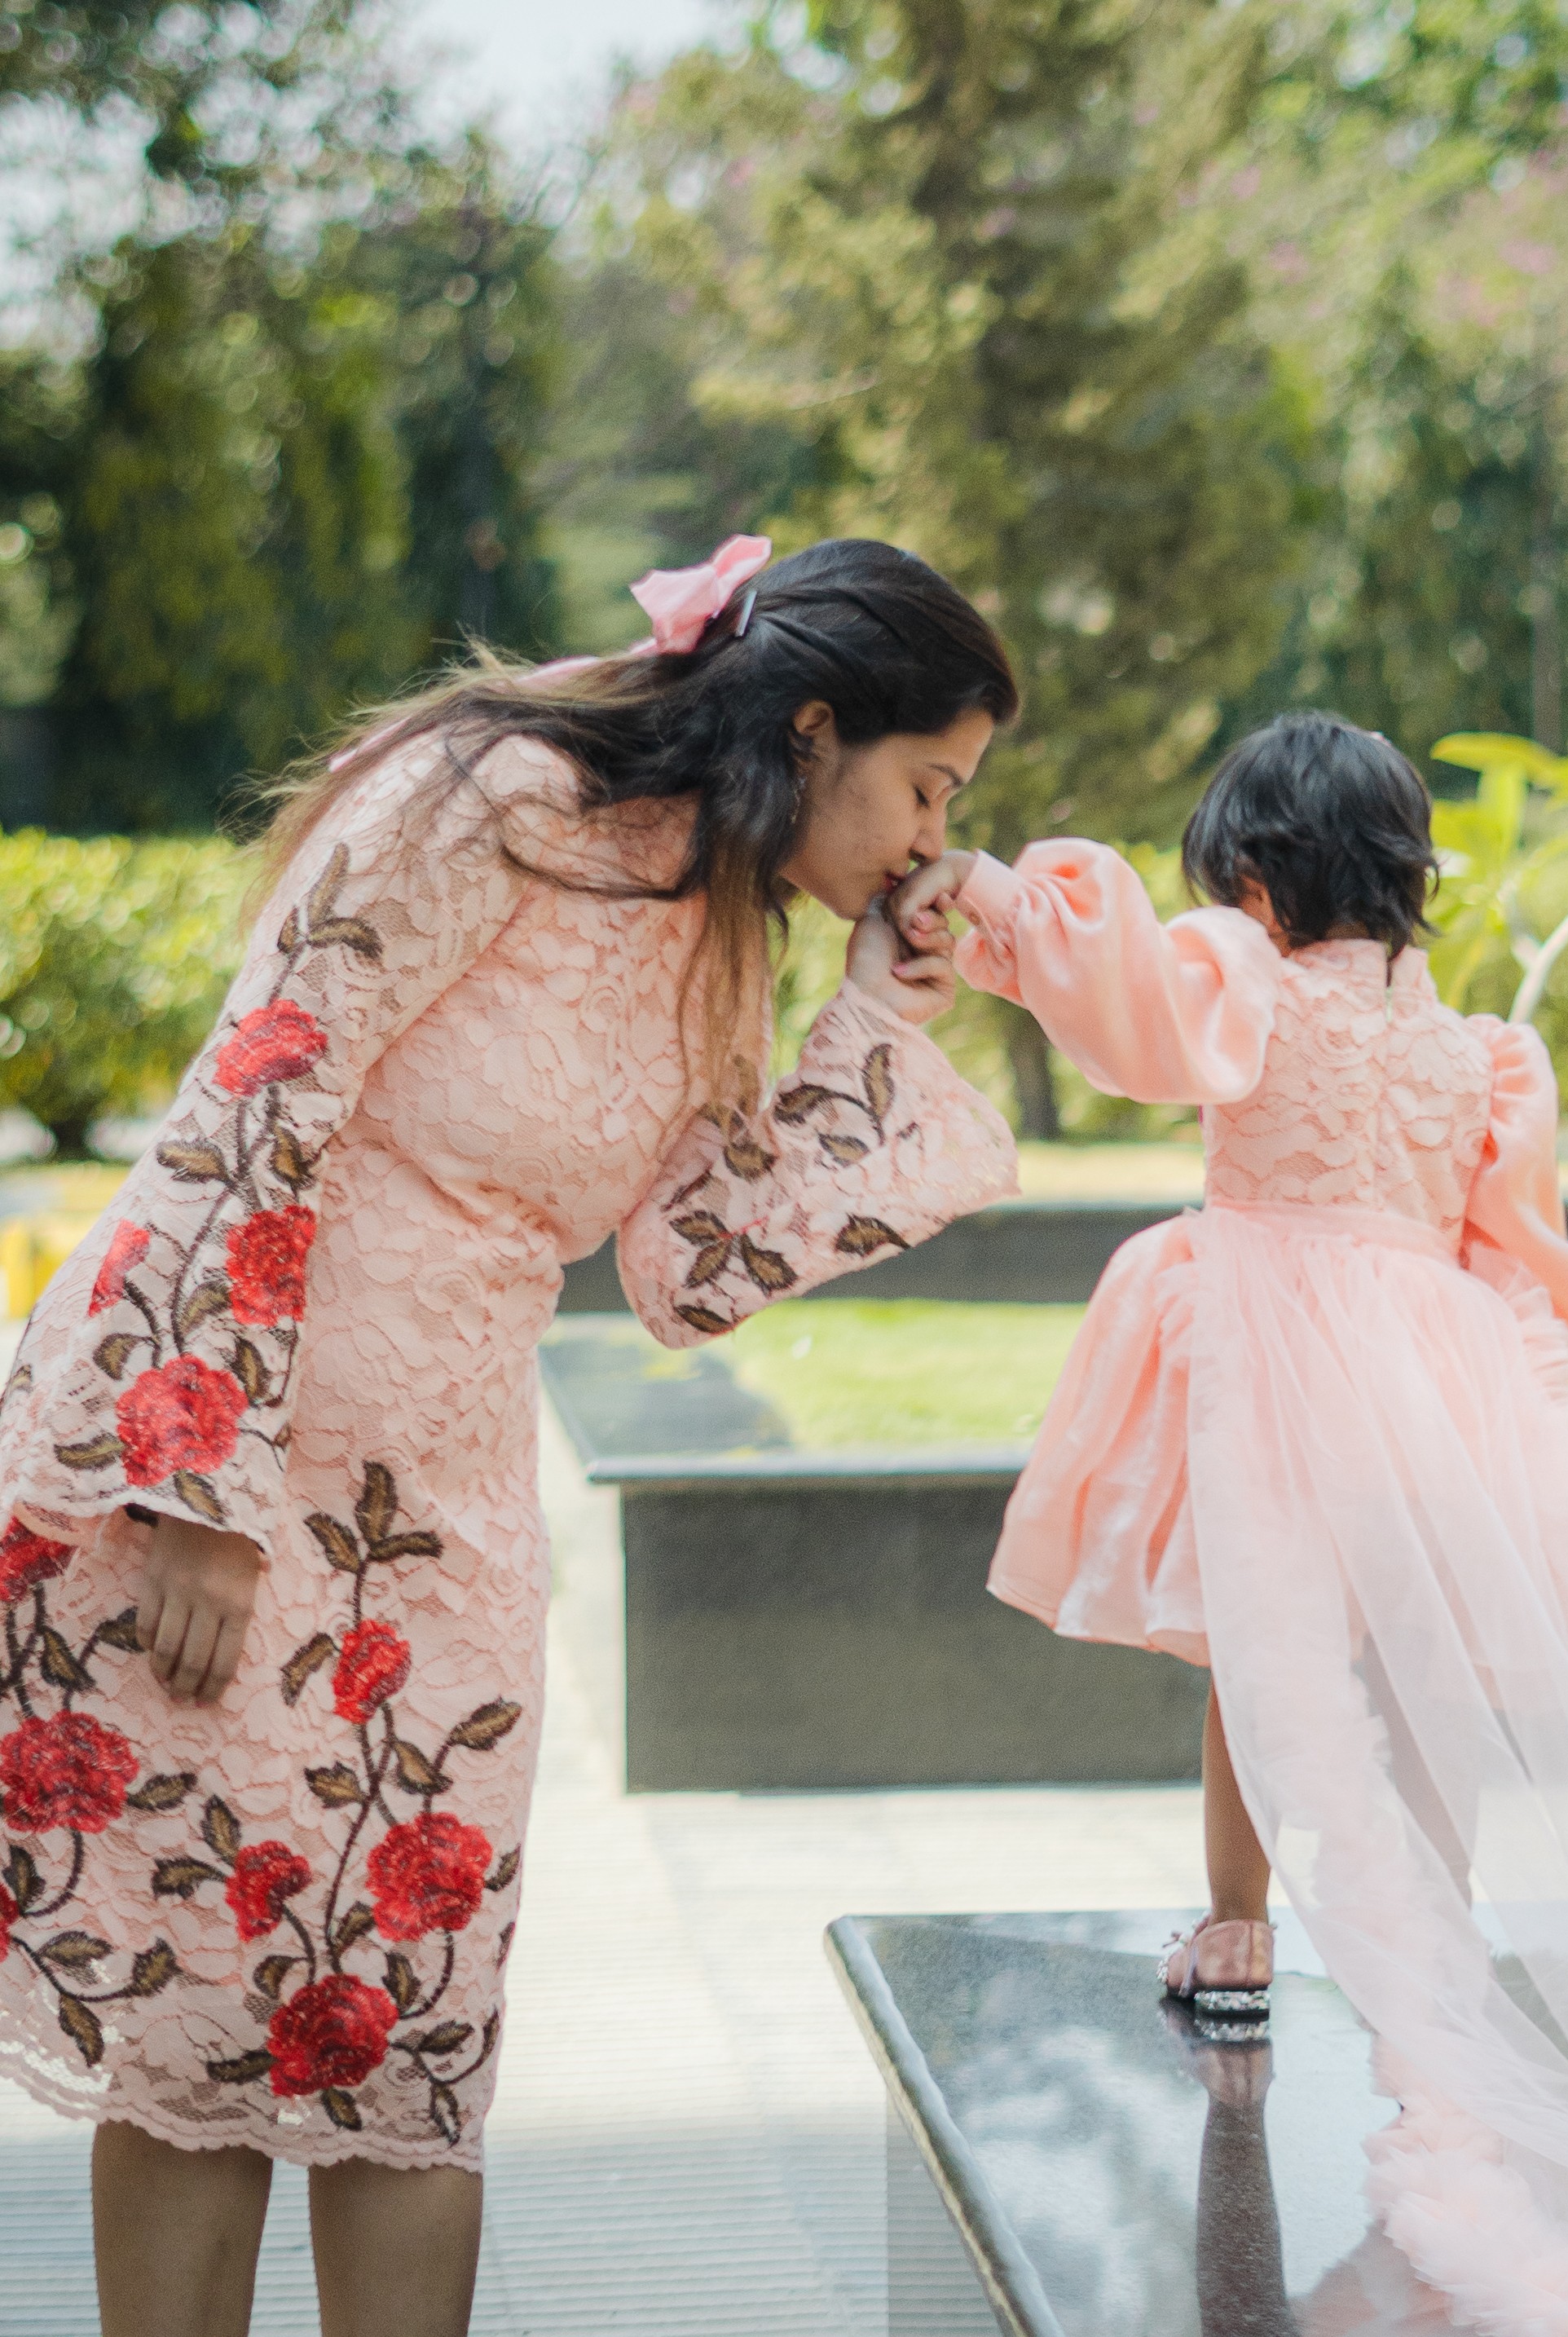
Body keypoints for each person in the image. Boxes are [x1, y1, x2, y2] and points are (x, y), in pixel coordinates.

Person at [0, 536, 1020, 2337]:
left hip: (443, 1531)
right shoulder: (499, 791)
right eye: (928, 785)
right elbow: (270, 1077)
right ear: (810, 723)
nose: (932, 837)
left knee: (407, 2048)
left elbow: (693, 1266)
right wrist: (199, 1479)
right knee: (206, 2030)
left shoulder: (719, 928)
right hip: (222, 1468)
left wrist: (875, 1013)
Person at [890, 709, 1568, 2335]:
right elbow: (1512, 1243)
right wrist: (1530, 1404)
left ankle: (1238, 1930)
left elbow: (1125, 1017)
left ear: (1254, 876)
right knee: (1413, 1668)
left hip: (1272, 1351)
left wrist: (989, 891)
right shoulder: (1480, 1048)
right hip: (1433, 1368)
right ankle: (1438, 1937)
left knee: (1263, 1657)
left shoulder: (1240, 980)